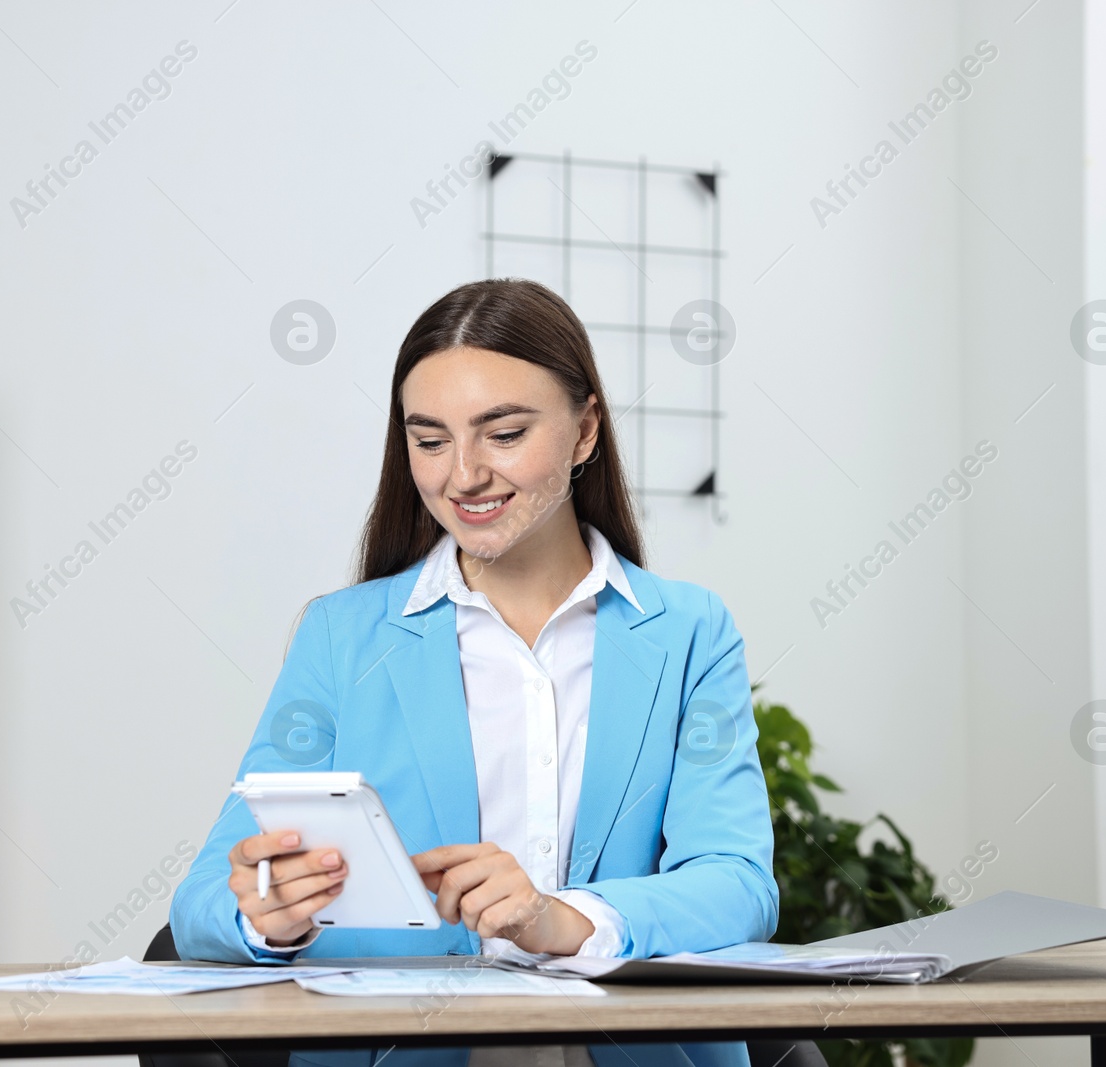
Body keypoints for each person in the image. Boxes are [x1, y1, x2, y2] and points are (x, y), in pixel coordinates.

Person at [171, 278, 778, 1067]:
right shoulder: (343, 637)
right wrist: (265, 912)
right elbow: (200, 905)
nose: (463, 476)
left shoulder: (690, 631)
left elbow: (736, 882)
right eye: (430, 440)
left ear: (586, 428)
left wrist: (559, 916)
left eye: (504, 432)